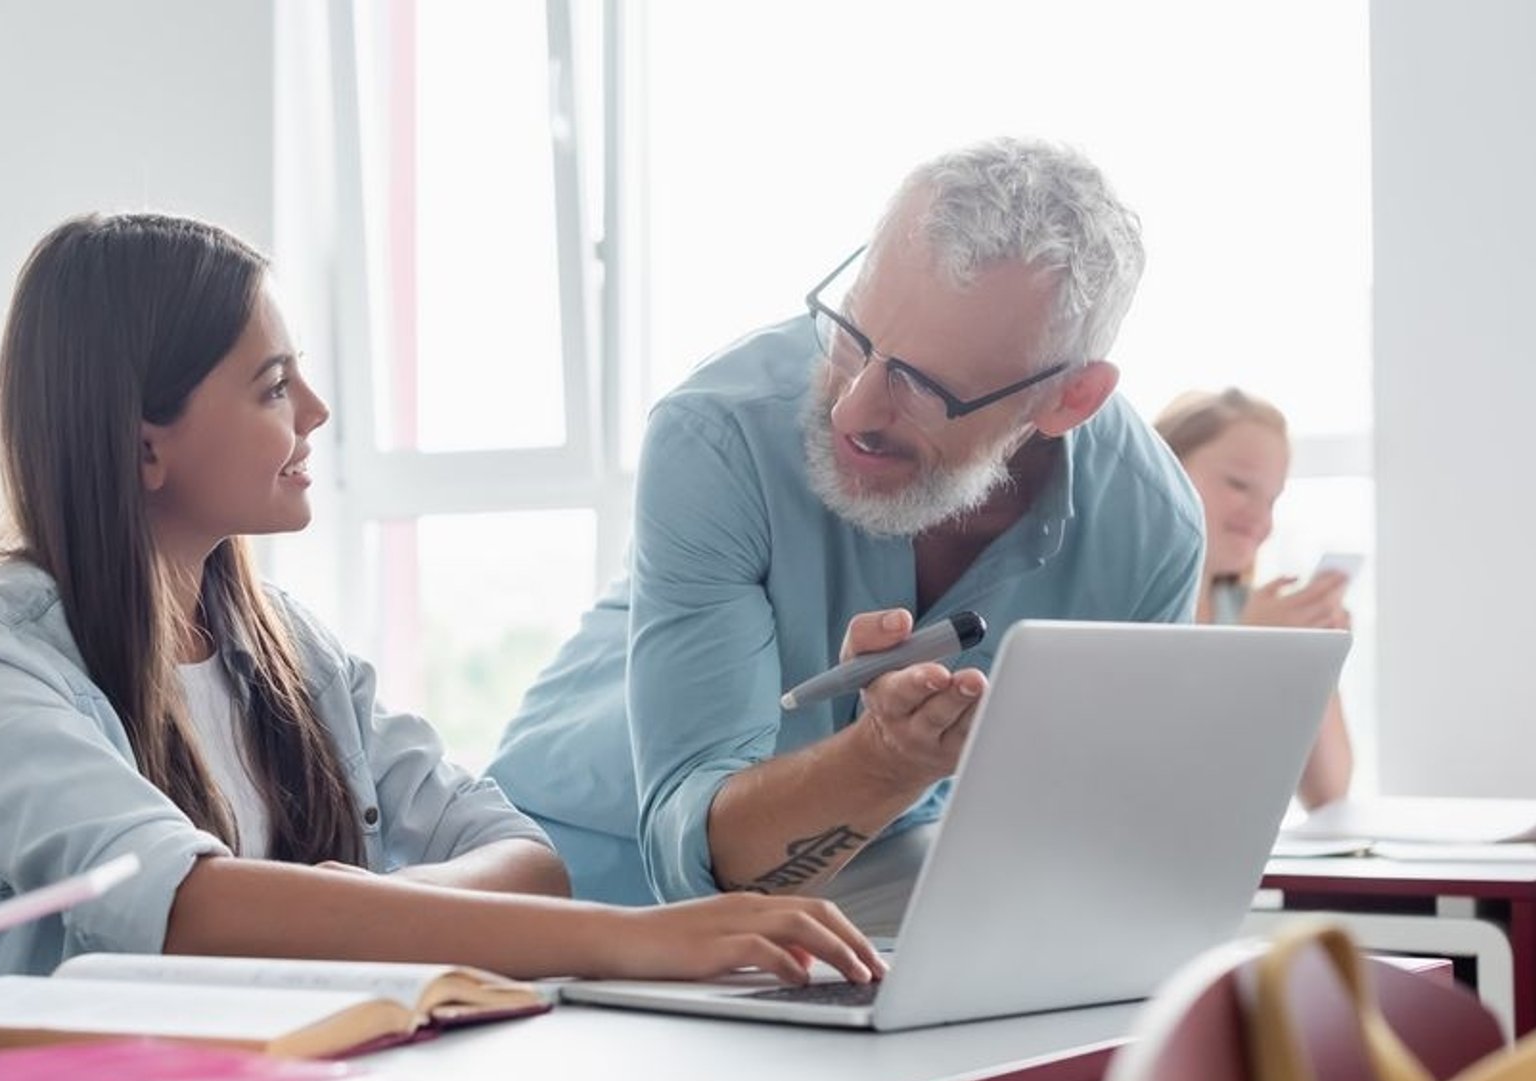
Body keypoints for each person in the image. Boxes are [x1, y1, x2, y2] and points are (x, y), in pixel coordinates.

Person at [0, 212, 886, 991]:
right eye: (272, 386)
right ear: (143, 441)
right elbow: (180, 902)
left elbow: (521, 856)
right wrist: (633, 940)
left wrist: (370, 909)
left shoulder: (295, 653)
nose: (316, 413)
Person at [486, 138, 1206, 928]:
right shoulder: (720, 434)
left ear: (1069, 399)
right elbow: (691, 873)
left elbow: (1088, 851)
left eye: (927, 387)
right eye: (851, 334)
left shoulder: (1151, 529)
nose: (853, 409)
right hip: (579, 879)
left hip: (854, 895)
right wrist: (885, 761)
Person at [1154, 388, 1353, 808]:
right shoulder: (1130, 605)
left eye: (1273, 499)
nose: (1261, 518)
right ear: (1162, 465)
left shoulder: (1246, 610)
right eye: (1239, 485)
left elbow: (1329, 793)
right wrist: (1252, 650)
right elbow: (1163, 768)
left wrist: (1317, 663)